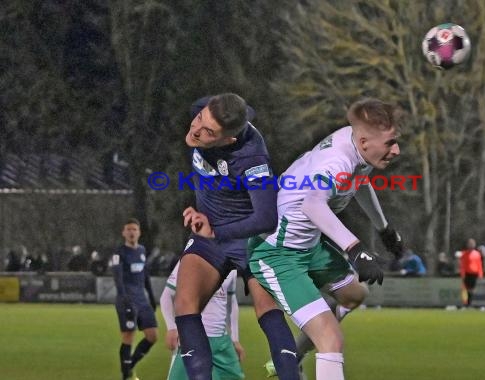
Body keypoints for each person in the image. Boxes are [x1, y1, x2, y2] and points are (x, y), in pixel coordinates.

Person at [249, 98, 404, 380]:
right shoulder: (336, 160)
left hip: (309, 245)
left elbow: (358, 183)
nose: (397, 150)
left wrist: (384, 229)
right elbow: (313, 204)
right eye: (391, 142)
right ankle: (295, 360)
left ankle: (291, 360)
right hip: (277, 253)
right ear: (365, 141)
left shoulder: (360, 147)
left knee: (354, 295)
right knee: (331, 339)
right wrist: (356, 249)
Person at [174, 93, 300, 380]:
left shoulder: (252, 158)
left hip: (249, 239)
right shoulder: (211, 111)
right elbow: (239, 108)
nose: (196, 130)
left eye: (208, 132)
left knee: (266, 309)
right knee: (184, 303)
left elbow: (266, 219)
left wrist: (216, 230)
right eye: (199, 120)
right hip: (211, 235)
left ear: (228, 140)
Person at [161, 262, 244, 380]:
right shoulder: (190, 258)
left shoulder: (231, 263)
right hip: (194, 339)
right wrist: (171, 327)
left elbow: (231, 301)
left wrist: (235, 339)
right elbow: (167, 295)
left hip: (222, 342)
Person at [111, 218, 158, 380]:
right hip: (127, 300)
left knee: (152, 336)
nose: (131, 232)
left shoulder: (142, 251)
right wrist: (124, 299)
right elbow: (117, 278)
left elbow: (145, 276)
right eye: (128, 229)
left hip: (142, 300)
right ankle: (126, 375)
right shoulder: (119, 253)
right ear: (124, 233)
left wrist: (151, 298)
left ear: (139, 232)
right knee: (128, 336)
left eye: (134, 229)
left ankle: (129, 366)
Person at [459, 238, 483, 307]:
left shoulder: (477, 254)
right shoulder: (464, 254)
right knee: (465, 289)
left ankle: (469, 303)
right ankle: (465, 303)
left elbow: (479, 264)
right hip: (467, 273)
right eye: (470, 244)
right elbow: (462, 265)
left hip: (474, 274)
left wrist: (480, 273)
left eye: (472, 244)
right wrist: (462, 274)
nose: (471, 245)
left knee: (471, 289)